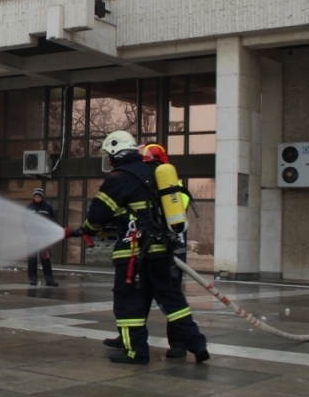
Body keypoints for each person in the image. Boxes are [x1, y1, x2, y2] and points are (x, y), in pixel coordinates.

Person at [79, 131, 209, 365]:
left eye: (110, 155)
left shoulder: (118, 178)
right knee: (172, 300)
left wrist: (85, 228)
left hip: (133, 253)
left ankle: (136, 352)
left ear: (117, 153)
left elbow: (96, 216)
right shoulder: (154, 173)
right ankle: (197, 343)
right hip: (162, 249)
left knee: (129, 302)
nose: (108, 161)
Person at [23, 188, 59, 287]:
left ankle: (49, 280)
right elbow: (23, 221)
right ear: (33, 197)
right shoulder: (29, 208)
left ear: (42, 197)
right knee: (32, 259)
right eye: (36, 197)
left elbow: (53, 221)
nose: (37, 198)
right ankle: (33, 279)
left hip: (43, 237)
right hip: (31, 237)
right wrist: (27, 231)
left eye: (39, 197)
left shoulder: (47, 208)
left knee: (45, 259)